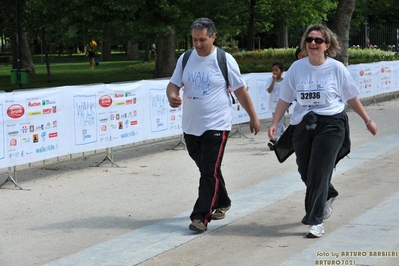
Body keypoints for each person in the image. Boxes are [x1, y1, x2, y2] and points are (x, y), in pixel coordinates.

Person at [267, 23, 378, 238]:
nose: (313, 43)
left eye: (318, 40)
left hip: (331, 124)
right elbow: (285, 99)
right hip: (302, 125)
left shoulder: (336, 68)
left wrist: (367, 120)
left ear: (327, 44)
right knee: (305, 170)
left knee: (319, 171)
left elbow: (351, 97)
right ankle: (329, 193)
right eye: (309, 40)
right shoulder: (297, 69)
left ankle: (315, 220)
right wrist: (274, 123)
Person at [166, 17, 260, 233]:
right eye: (194, 40)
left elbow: (240, 90)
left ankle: (200, 216)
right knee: (208, 168)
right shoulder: (186, 58)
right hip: (191, 126)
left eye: (202, 40)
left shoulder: (224, 59)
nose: (198, 44)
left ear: (213, 37)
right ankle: (223, 200)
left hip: (216, 125)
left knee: (208, 170)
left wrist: (253, 117)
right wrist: (172, 96)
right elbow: (173, 83)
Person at [266, 62, 285, 151]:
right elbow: (269, 90)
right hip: (274, 104)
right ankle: (285, 139)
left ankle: (275, 140)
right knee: (277, 123)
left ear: (281, 71)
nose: (274, 72)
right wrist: (273, 80)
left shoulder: (285, 81)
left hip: (282, 105)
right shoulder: (270, 80)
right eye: (273, 70)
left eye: (276, 70)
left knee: (279, 123)